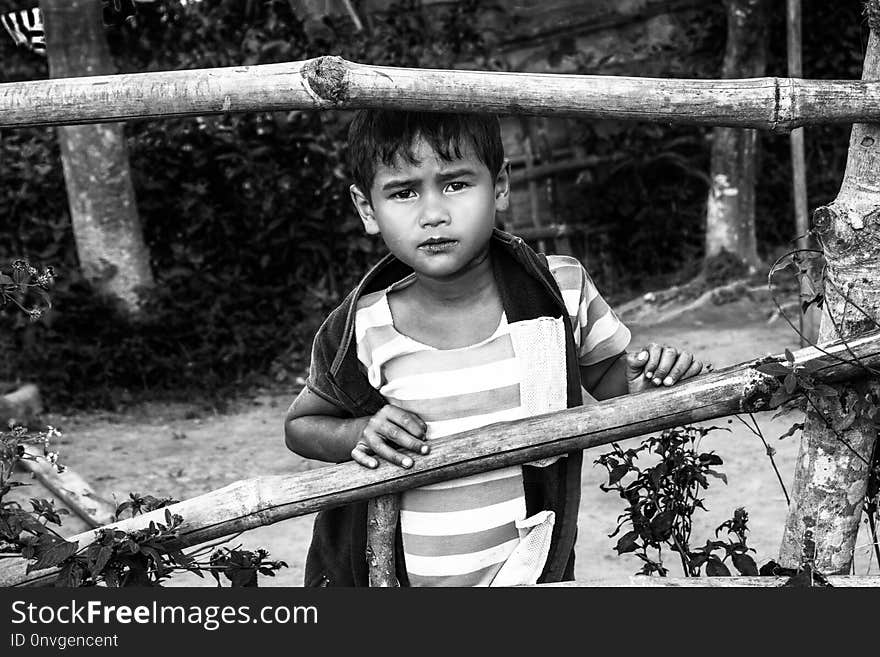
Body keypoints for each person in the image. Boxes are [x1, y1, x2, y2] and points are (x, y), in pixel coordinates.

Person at [284, 110, 704, 587]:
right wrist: (358, 433)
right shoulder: (363, 325)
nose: (433, 213)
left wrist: (644, 379)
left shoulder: (557, 289)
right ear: (366, 209)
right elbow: (302, 426)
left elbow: (611, 382)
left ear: (500, 185)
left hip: (531, 572)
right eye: (403, 192)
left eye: (456, 184)